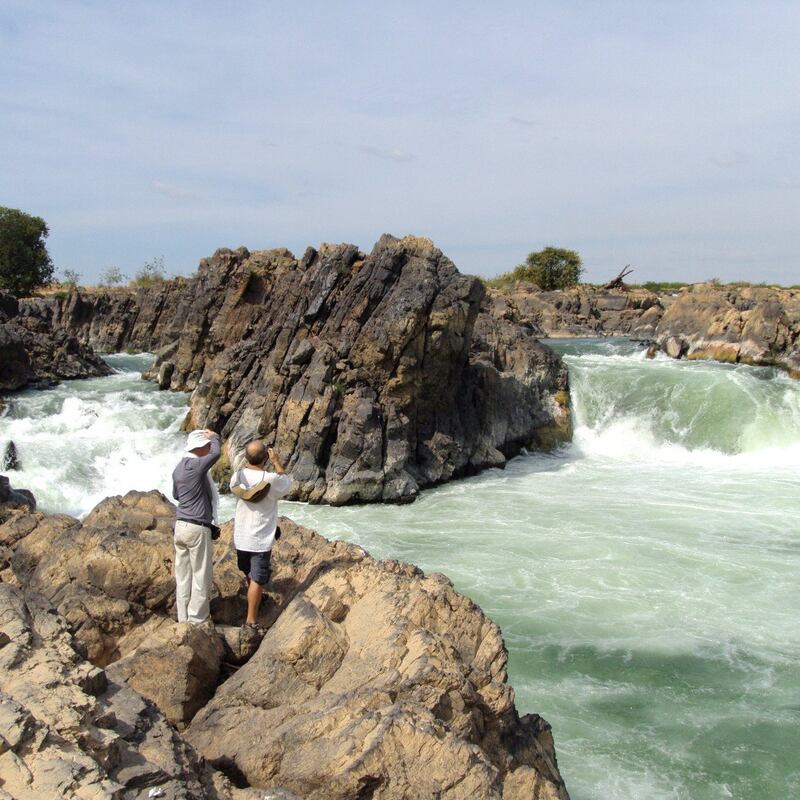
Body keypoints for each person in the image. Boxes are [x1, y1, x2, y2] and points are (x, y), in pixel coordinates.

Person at [229, 440, 291, 632]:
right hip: (260, 538)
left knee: (249, 572)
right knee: (257, 578)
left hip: (241, 535)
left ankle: (256, 597)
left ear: (246, 457)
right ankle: (251, 621)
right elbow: (286, 484)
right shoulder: (271, 480)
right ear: (266, 457)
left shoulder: (236, 478)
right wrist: (277, 461)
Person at [171, 429, 220, 625]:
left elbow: (176, 495)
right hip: (197, 527)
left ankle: (183, 618)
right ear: (200, 448)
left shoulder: (179, 468)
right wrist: (214, 437)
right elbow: (216, 454)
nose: (209, 450)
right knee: (201, 575)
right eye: (206, 447)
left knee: (183, 576)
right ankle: (197, 619)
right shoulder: (196, 466)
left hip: (180, 526)